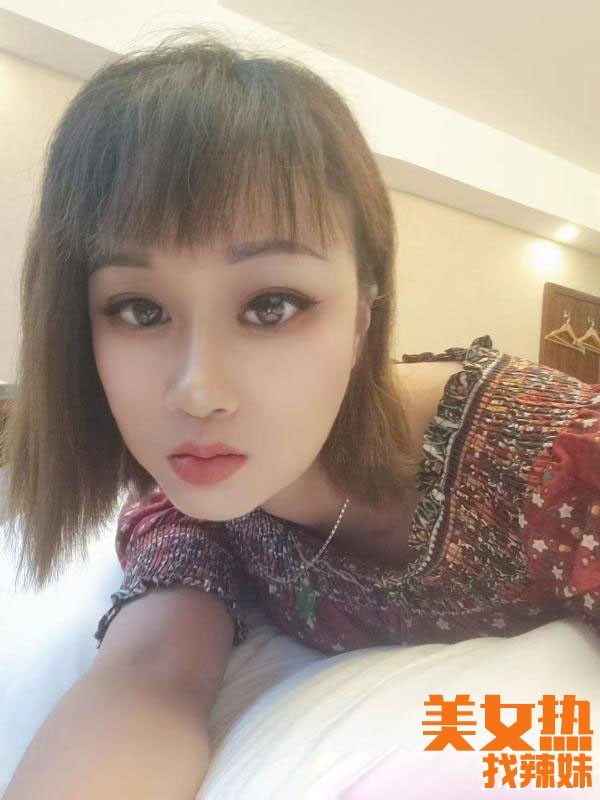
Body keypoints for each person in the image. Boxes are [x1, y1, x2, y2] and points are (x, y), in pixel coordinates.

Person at [2, 26, 599, 800]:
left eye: (272, 305)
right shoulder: (193, 502)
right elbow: (150, 676)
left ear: (362, 319)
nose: (198, 393)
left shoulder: (553, 457)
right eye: (140, 310)